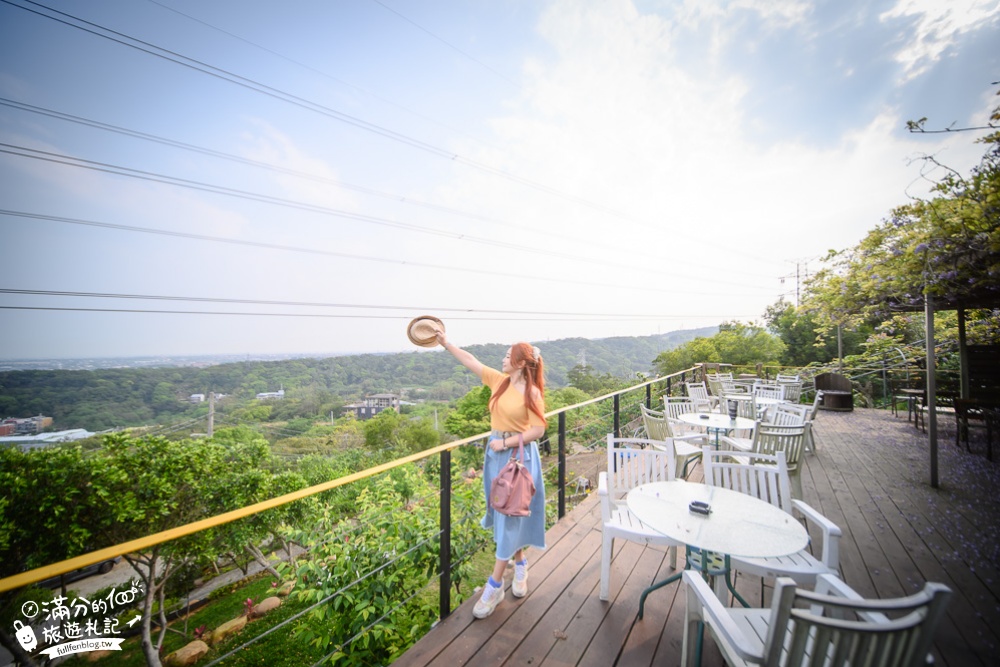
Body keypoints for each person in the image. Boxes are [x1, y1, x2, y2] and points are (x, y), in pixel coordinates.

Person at [435, 330, 547, 619]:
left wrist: (507, 442)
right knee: (504, 512)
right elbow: (470, 360)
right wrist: (446, 343)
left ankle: (495, 585)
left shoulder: (531, 393)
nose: (503, 359)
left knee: (510, 516)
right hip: (496, 454)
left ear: (522, 364)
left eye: (508, 356)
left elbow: (538, 430)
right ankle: (520, 565)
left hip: (517, 458)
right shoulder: (499, 381)